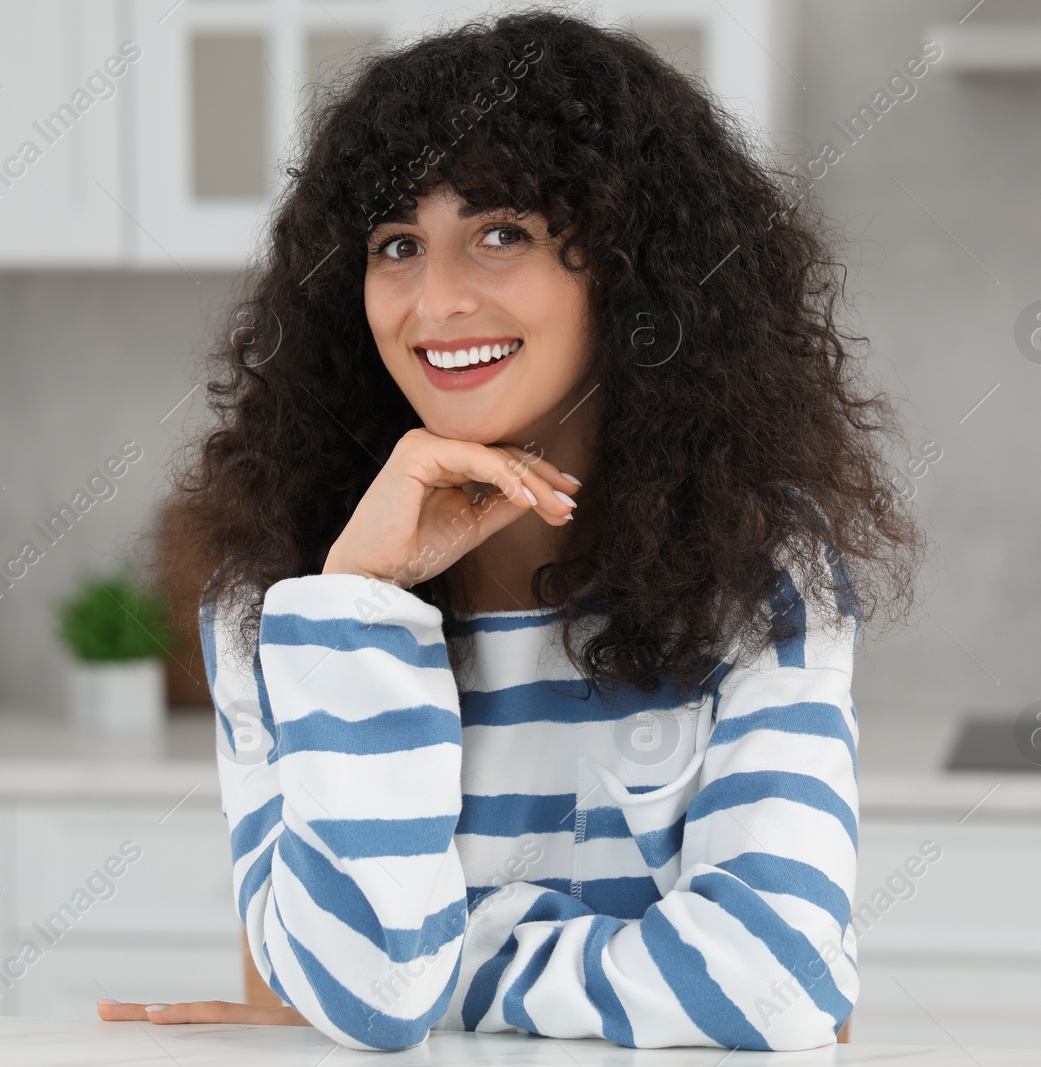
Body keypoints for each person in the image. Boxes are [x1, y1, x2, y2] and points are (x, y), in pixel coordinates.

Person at [101, 6, 926, 1052]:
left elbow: (771, 986)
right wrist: (360, 600)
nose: (436, 299)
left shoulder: (761, 568)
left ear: (630, 269)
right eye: (396, 243)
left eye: (501, 233)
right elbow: (351, 996)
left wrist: (424, 974)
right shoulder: (284, 602)